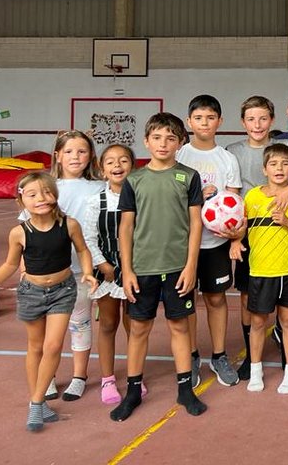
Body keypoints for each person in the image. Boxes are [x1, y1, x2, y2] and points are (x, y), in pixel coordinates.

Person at [0, 172, 97, 431]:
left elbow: (82, 250)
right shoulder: (19, 233)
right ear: (22, 201)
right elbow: (10, 264)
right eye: (32, 194)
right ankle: (40, 400)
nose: (41, 198)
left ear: (54, 194)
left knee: (53, 346)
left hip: (63, 290)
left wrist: (87, 272)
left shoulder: (69, 224)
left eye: (46, 192)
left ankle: (35, 402)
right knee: (35, 348)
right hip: (31, 292)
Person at [110, 112, 207, 422]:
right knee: (139, 329)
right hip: (142, 268)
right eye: (157, 137)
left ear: (180, 142)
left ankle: (184, 389)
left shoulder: (189, 176)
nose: (163, 143)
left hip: (178, 267)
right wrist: (127, 270)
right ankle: (133, 391)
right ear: (146, 141)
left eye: (170, 138)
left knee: (180, 327)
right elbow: (125, 228)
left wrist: (191, 266)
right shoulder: (134, 180)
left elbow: (195, 224)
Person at [176, 94, 244, 388]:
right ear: (189, 122)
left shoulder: (227, 159)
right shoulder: (179, 156)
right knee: (186, 301)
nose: (205, 123)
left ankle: (218, 355)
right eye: (199, 118)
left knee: (216, 299)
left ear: (220, 121)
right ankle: (190, 356)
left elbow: (234, 202)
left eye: (210, 117)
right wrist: (195, 198)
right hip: (183, 243)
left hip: (215, 243)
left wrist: (233, 236)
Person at [238, 144, 288, 395]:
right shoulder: (252, 197)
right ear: (264, 169)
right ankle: (256, 370)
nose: (279, 169)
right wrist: (234, 240)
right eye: (273, 164)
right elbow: (241, 228)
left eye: (284, 164)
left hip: (286, 270)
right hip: (259, 271)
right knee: (258, 322)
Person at [227, 95, 284, 380]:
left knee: (285, 297)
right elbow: (231, 196)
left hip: (280, 230)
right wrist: (237, 236)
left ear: (272, 120)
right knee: (249, 294)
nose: (257, 124)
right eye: (251, 119)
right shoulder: (232, 151)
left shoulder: (284, 148)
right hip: (247, 232)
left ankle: (287, 346)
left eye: (263, 118)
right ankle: (252, 355)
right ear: (242, 122)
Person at [46, 130, 104, 401]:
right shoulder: (46, 186)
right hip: (48, 271)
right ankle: (48, 376)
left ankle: (79, 375)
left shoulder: (98, 187)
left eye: (81, 151)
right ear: (57, 155)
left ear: (90, 155)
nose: (75, 157)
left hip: (83, 270)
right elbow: (26, 228)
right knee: (49, 327)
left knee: (79, 322)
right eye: (68, 151)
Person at [80, 144, 137, 405]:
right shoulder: (96, 202)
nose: (117, 165)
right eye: (111, 162)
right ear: (103, 169)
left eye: (123, 160)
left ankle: (136, 375)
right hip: (108, 272)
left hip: (135, 269)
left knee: (134, 324)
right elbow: (88, 238)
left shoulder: (139, 198)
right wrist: (104, 265)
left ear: (132, 166)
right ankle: (107, 379)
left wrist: (133, 267)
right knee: (108, 323)